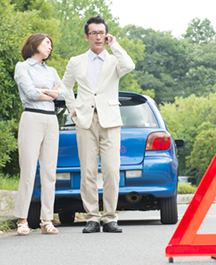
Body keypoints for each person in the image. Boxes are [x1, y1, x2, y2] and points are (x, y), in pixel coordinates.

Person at [63, 15, 135, 233]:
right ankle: (92, 217)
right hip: (85, 121)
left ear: (106, 35)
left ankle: (110, 217)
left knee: (112, 170)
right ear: (87, 36)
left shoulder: (114, 61)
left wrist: (115, 45)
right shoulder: (76, 61)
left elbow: (130, 65)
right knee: (88, 171)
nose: (97, 37)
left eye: (101, 33)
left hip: (110, 121)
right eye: (93, 33)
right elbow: (65, 86)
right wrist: (72, 109)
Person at [13, 33, 68, 235]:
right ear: (35, 44)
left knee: (49, 172)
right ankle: (22, 220)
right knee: (28, 170)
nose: (50, 47)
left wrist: (48, 92)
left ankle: (47, 220)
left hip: (51, 120)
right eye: (47, 43)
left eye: (51, 45)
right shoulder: (22, 67)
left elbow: (65, 94)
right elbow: (30, 93)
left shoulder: (52, 70)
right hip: (32, 118)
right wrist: (49, 93)